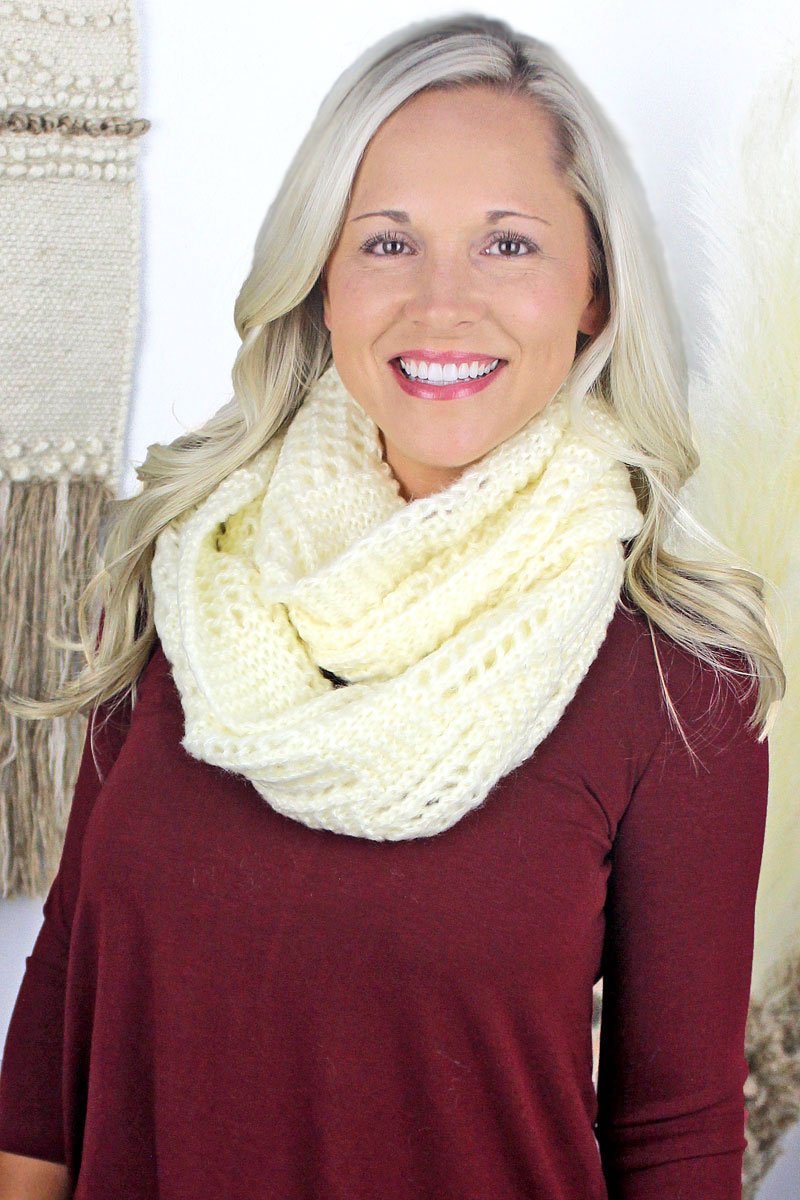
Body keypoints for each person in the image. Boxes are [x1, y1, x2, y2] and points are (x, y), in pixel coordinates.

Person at [0, 12, 785, 1200]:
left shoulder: (678, 675)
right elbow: (65, 996)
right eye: (386, 242)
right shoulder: (189, 569)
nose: (440, 304)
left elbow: (674, 1134)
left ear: (594, 291)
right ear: (322, 279)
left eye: (507, 245)